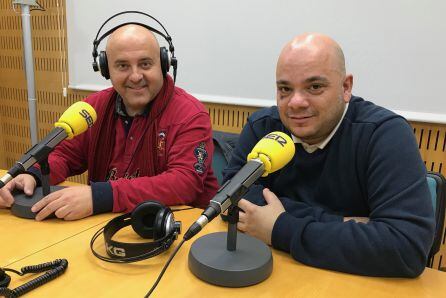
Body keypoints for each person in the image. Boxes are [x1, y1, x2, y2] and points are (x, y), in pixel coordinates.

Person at [223, 33, 435, 277]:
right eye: (285, 89)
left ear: (346, 87)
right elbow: (231, 195)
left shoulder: (385, 134)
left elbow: (406, 247)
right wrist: (342, 223)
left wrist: (280, 227)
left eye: (315, 87)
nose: (296, 102)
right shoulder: (263, 126)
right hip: (279, 275)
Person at [0, 24, 219, 220]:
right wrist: (33, 174)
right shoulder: (93, 109)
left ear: (163, 64)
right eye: (123, 66)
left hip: (176, 229)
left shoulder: (190, 114)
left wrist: (100, 197)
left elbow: (184, 183)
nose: (135, 76)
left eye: (145, 64)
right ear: (106, 70)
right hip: (109, 224)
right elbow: (64, 155)